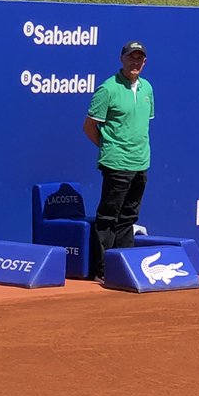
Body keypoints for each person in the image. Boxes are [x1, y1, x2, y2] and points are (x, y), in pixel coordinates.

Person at [83, 40, 155, 279]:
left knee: (129, 217)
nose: (135, 62)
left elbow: (142, 125)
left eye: (139, 58)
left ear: (144, 62)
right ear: (121, 59)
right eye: (131, 58)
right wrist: (109, 147)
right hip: (116, 163)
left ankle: (123, 267)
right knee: (108, 217)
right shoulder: (108, 89)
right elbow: (90, 126)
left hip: (140, 162)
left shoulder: (147, 89)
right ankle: (103, 269)